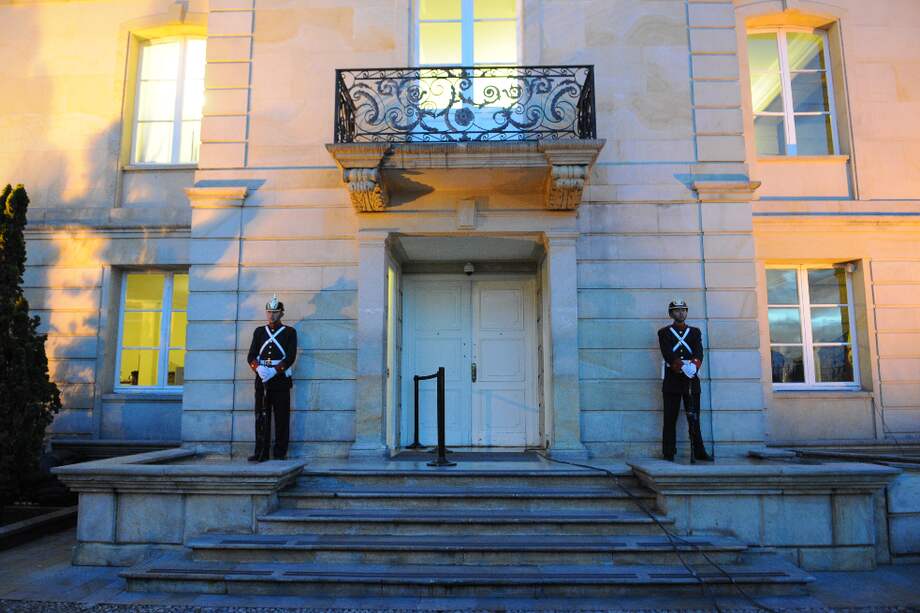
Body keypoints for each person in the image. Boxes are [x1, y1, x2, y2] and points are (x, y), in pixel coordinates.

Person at [657, 298, 713, 463]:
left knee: (694, 417)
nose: (681, 313)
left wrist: (694, 365)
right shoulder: (664, 332)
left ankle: (699, 451)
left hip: (691, 379)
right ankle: (668, 452)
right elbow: (667, 352)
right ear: (671, 314)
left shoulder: (695, 332)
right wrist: (681, 366)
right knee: (670, 418)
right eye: (677, 310)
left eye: (684, 310)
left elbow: (699, 351)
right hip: (672, 379)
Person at [247, 295, 297, 462]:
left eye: (275, 312)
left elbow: (290, 357)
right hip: (262, 380)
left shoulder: (290, 332)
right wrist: (259, 368)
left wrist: (275, 371)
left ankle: (279, 453)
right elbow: (251, 355)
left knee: (281, 418)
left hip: (280, 380)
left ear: (282, 313)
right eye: (269, 312)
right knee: (261, 416)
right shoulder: (259, 331)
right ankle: (261, 452)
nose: (271, 315)